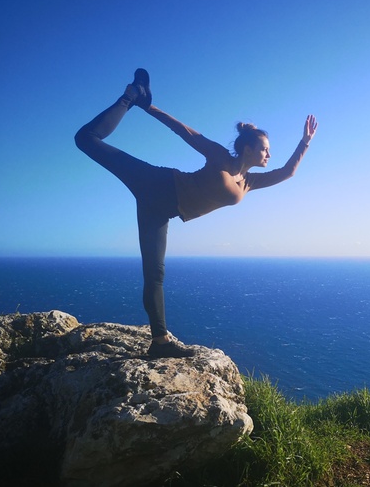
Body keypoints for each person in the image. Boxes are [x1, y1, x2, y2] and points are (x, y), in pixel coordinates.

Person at [75, 68, 318, 358]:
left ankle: (159, 343)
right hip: (157, 183)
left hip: (161, 211)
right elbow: (183, 130)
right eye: (265, 149)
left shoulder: (249, 182)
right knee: (86, 139)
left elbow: (288, 172)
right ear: (248, 148)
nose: (269, 155)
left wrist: (305, 141)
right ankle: (130, 95)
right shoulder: (219, 156)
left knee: (155, 274)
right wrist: (147, 105)